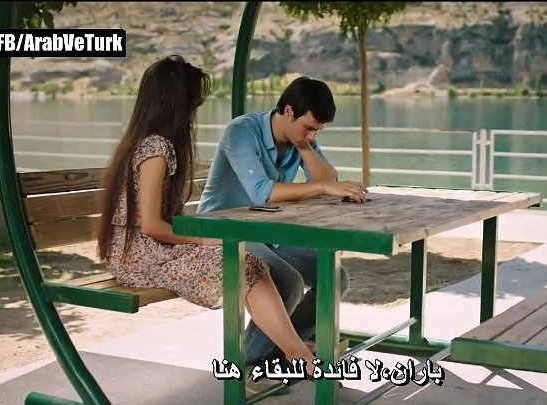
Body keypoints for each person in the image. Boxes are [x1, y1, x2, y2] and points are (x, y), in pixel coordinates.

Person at [96, 55, 316, 395]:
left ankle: (292, 352)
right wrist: (202, 241)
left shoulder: (147, 142)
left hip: (148, 251)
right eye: (192, 103)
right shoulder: (156, 149)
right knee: (244, 264)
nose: (194, 113)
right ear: (175, 104)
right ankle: (297, 354)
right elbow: (152, 225)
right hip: (142, 257)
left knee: (248, 263)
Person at [196, 77, 367, 370]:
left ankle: (272, 351)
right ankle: (252, 364)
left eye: (318, 130)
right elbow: (262, 192)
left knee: (335, 276)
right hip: (222, 233)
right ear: (288, 111)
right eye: (309, 127)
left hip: (266, 232)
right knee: (288, 282)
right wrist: (322, 187)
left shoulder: (300, 138)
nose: (312, 134)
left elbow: (328, 180)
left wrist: (305, 147)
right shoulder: (242, 131)